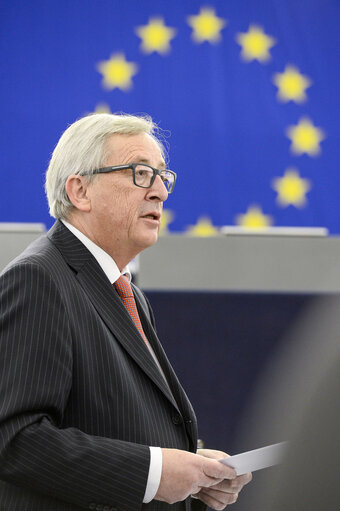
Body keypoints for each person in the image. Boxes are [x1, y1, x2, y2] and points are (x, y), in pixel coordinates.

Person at [0, 113, 251, 510]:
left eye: (162, 177)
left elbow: (115, 426)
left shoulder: (125, 290)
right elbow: (15, 438)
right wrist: (152, 473)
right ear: (80, 191)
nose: (159, 193)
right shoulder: (38, 280)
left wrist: (190, 470)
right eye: (139, 173)